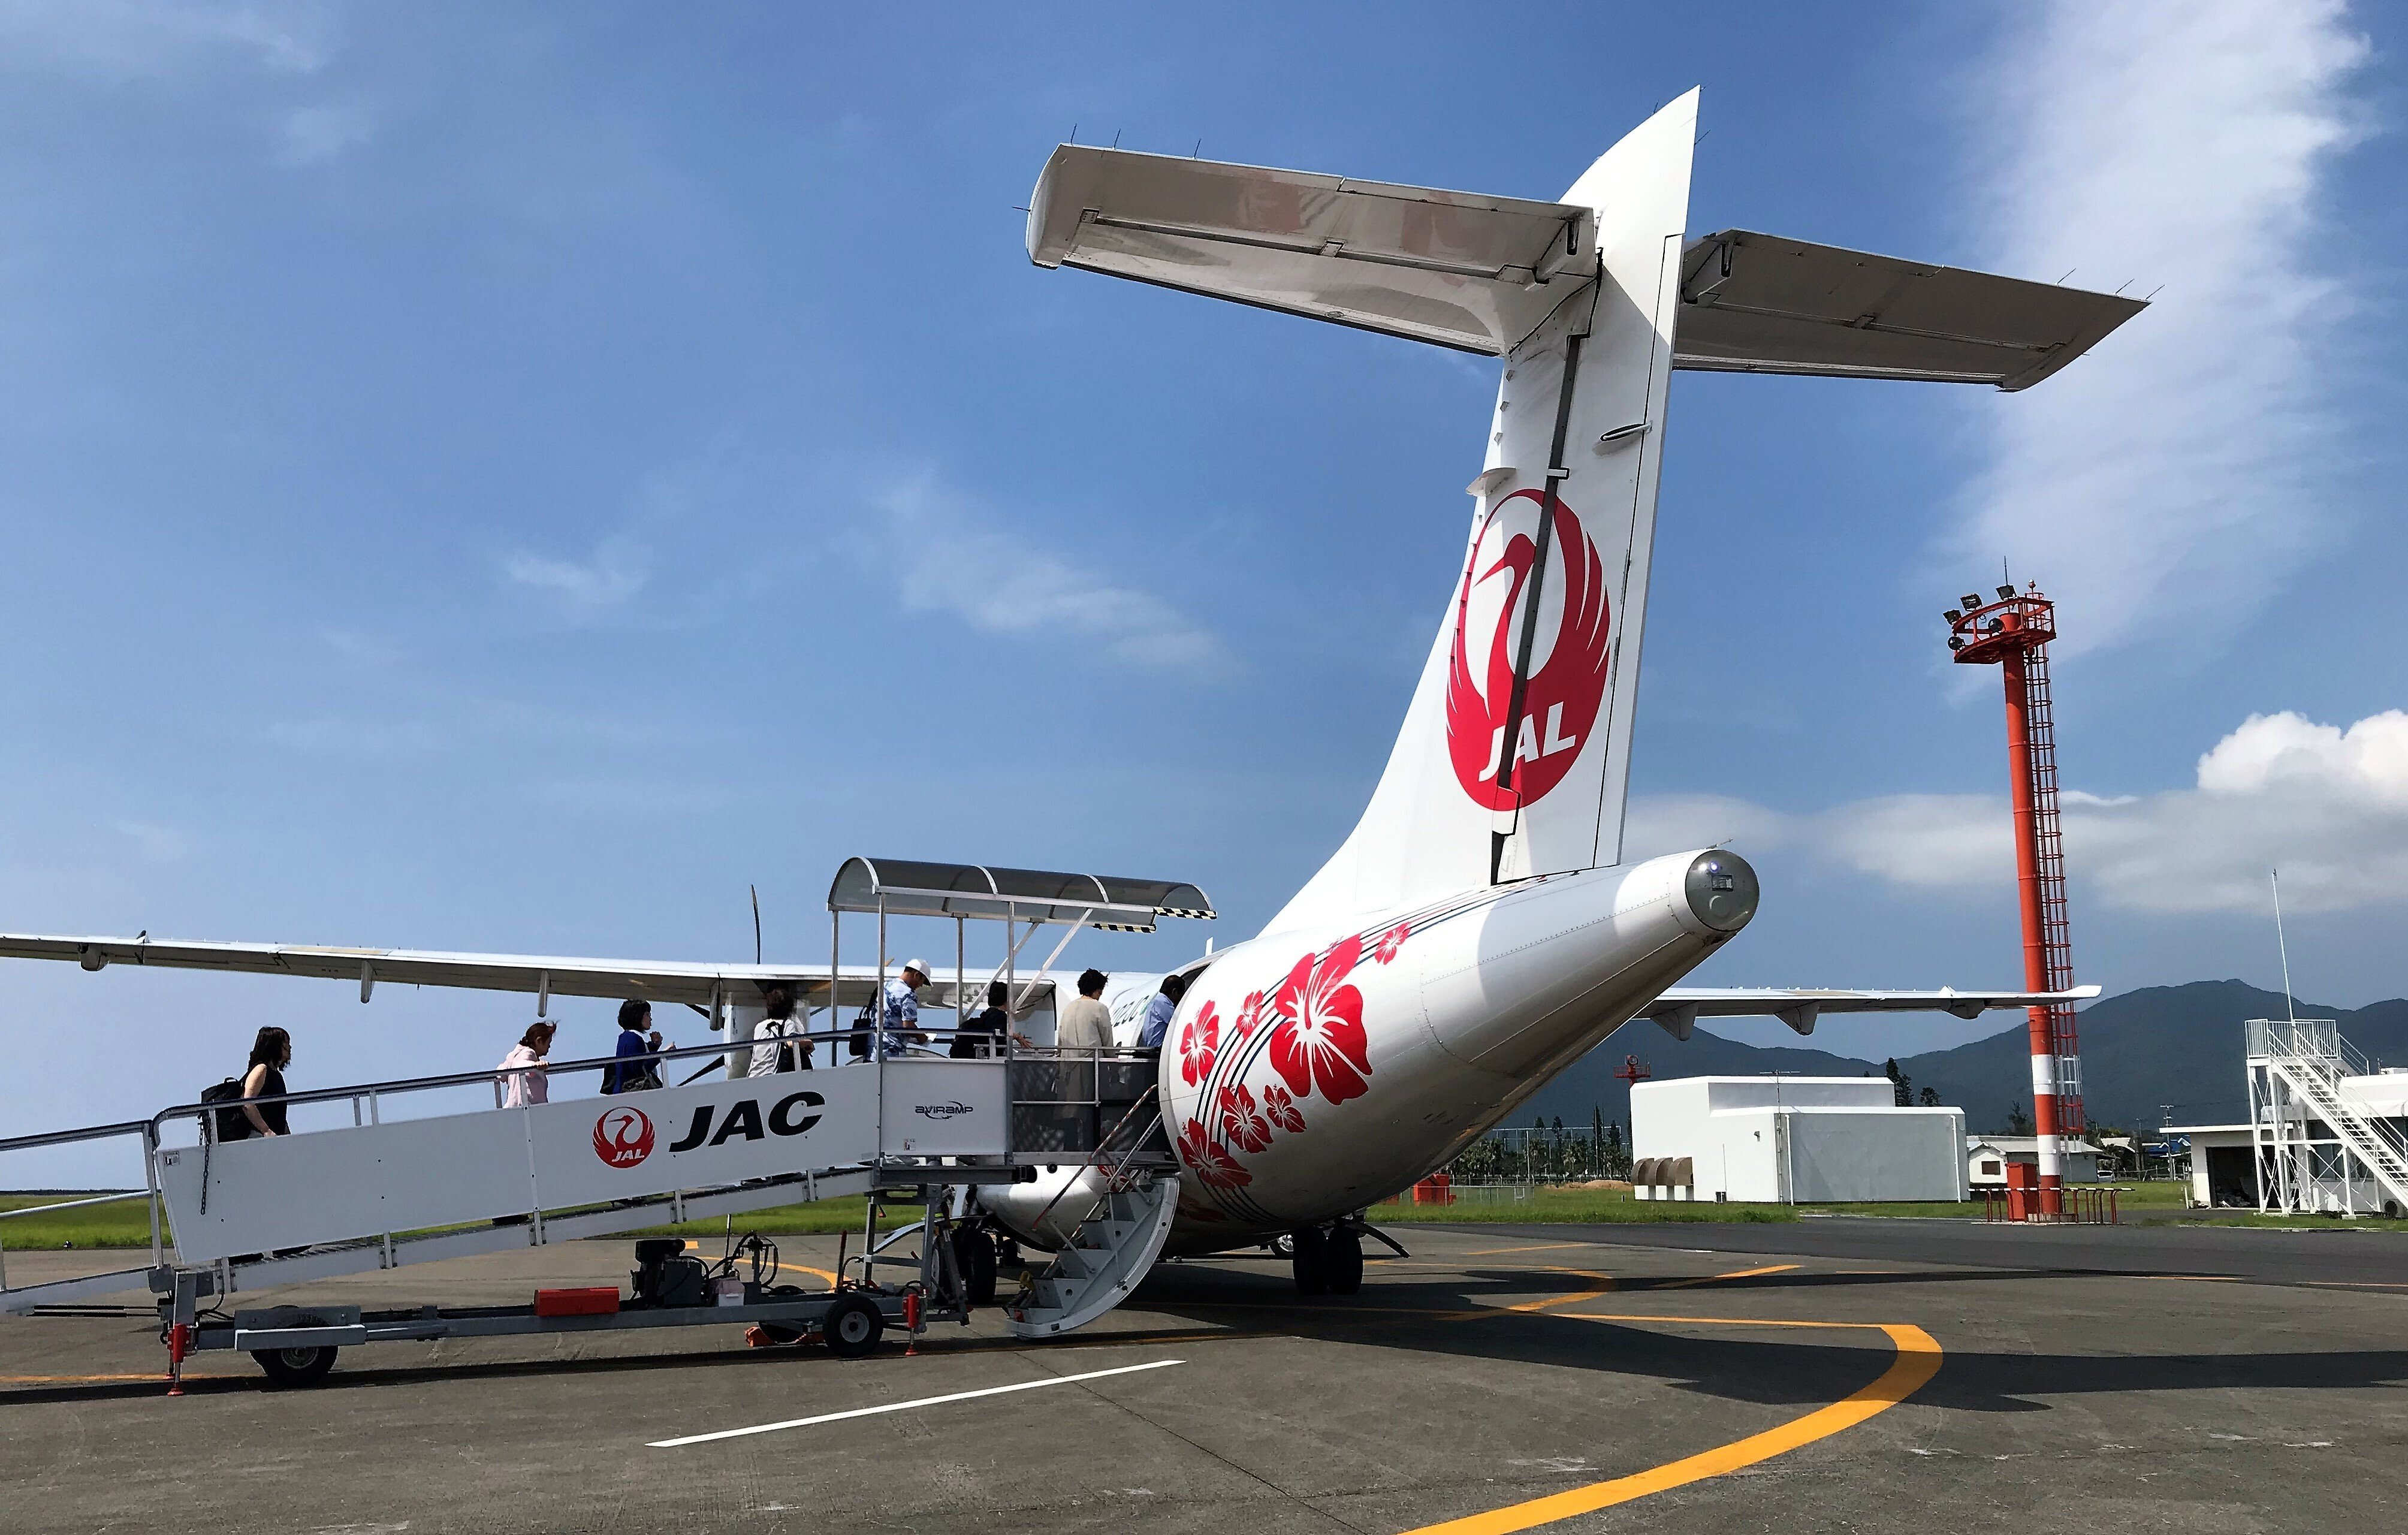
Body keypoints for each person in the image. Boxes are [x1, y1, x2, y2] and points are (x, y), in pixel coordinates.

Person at [950, 979, 1033, 1058]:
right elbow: (998, 1036)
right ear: (1006, 1000)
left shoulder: (986, 1016)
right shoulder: (1000, 1016)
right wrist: (1016, 1036)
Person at [237, 1026, 293, 1139]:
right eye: (286, 1043)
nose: (290, 1047)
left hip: (273, 1139)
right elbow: (247, 1103)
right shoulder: (262, 1069)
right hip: (258, 1138)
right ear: (276, 1045)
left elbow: (279, 1115)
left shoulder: (277, 1076)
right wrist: (266, 1131)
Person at [749, 987, 810, 1076]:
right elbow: (791, 1043)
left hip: (754, 1077)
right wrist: (808, 1044)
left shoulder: (760, 1026)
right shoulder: (788, 1024)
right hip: (771, 1076)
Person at [499, 1020, 555, 1107]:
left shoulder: (513, 1056)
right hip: (530, 1108)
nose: (549, 1046)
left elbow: (500, 1074)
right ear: (539, 1041)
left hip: (512, 1108)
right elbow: (521, 1065)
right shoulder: (529, 1053)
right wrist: (535, 1065)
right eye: (549, 1043)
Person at [603, 999, 653, 1093]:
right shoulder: (633, 1038)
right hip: (632, 1092)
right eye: (647, 1014)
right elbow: (638, 1068)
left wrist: (654, 1045)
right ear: (638, 1016)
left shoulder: (628, 1037)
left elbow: (637, 1058)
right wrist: (661, 1055)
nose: (650, 1019)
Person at [1057, 968, 1112, 1052]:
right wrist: (1112, 1058)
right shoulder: (1100, 1008)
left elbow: (1061, 1041)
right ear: (1098, 990)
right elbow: (1107, 1041)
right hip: (1092, 1062)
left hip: (1067, 1062)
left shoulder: (1068, 1008)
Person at [1139, 973, 1185, 1050]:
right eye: (1182, 994)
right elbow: (1178, 1025)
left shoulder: (1155, 1001)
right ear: (1175, 992)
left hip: (1151, 1048)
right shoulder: (1163, 1004)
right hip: (1158, 1050)